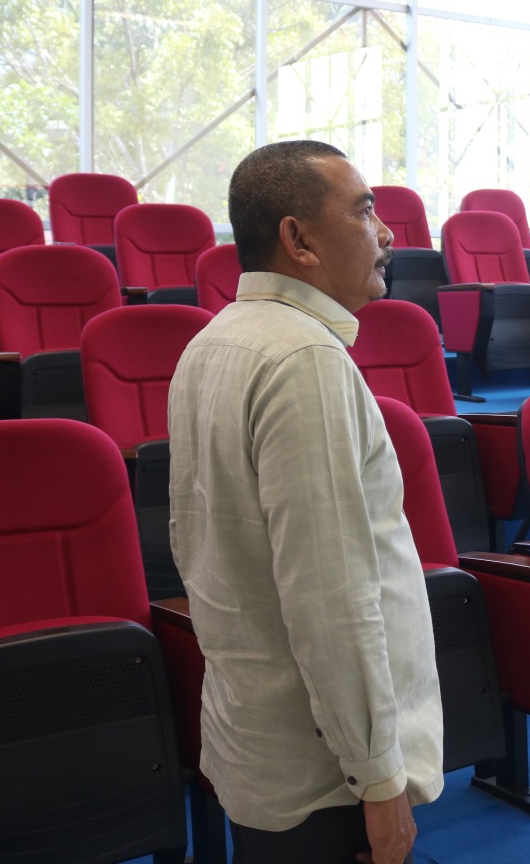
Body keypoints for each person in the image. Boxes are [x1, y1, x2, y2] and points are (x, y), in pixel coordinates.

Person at [168, 139, 444, 864]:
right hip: (328, 775)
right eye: (363, 212)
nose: (386, 233)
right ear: (299, 240)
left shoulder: (214, 341)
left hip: (261, 739)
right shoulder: (305, 360)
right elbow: (331, 599)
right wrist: (379, 779)